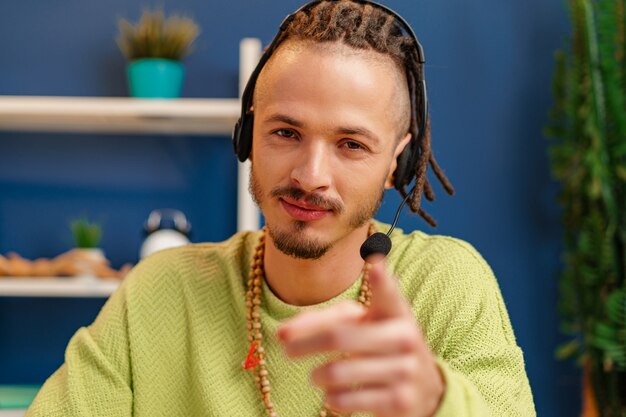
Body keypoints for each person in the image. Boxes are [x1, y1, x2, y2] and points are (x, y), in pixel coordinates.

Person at [25, 1, 535, 416]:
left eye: (351, 144)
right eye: (286, 132)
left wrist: (437, 404)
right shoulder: (161, 291)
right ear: (247, 135)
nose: (310, 176)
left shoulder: (447, 284)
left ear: (395, 162)